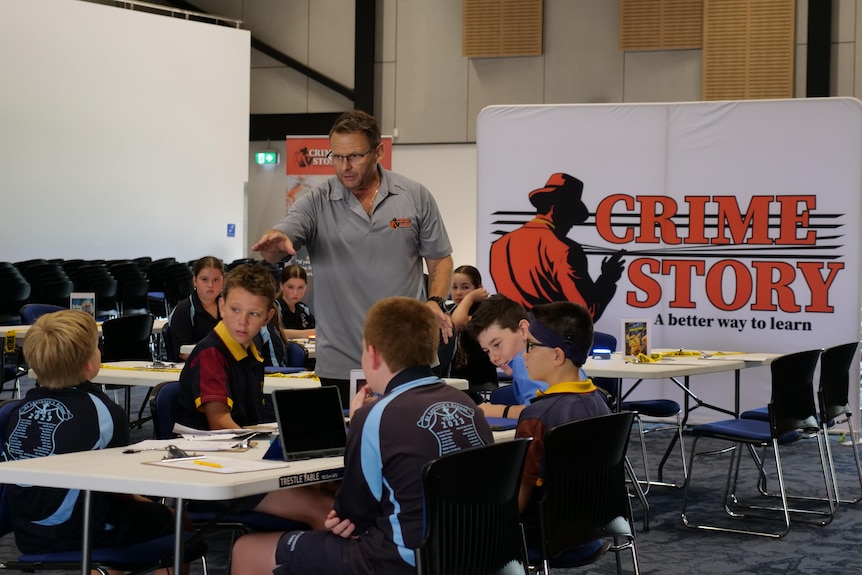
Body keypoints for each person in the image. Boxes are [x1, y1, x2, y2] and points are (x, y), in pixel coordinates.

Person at [230, 297, 494, 575]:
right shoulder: (469, 406)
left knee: (247, 549)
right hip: (470, 555)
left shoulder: (375, 417)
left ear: (374, 353)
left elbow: (353, 515)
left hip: (401, 561)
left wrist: (358, 424)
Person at [252, 109, 454, 406]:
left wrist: (435, 301)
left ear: (378, 152)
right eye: (337, 156)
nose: (345, 166)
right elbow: (281, 240)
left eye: (355, 156)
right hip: (341, 362)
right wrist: (275, 245)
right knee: (346, 449)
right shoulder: (316, 201)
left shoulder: (414, 196)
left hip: (409, 356)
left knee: (410, 442)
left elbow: (440, 261)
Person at [2, 310, 176, 558]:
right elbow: (120, 488)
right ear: (89, 364)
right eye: (97, 346)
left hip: (28, 533)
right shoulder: (105, 411)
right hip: (82, 530)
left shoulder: (17, 410)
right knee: (175, 526)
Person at [176, 264, 334, 529]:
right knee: (327, 511)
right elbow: (220, 425)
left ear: (268, 316)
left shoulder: (251, 353)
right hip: (216, 473)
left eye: (254, 314)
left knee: (340, 493)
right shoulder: (212, 354)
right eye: (236, 310)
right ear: (222, 305)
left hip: (246, 465)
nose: (242, 321)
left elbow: (251, 420)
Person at [515, 301, 611, 559]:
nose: (524, 354)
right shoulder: (601, 402)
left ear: (557, 356)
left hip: (542, 537)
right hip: (592, 532)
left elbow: (519, 502)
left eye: (531, 346)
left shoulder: (536, 416)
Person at [488, 172, 626, 321]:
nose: (572, 223)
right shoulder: (566, 250)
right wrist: (607, 279)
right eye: (571, 214)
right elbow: (586, 313)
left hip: (514, 339)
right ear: (556, 208)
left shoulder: (499, 246)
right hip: (551, 341)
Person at [467, 294, 549, 419]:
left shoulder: (523, 361)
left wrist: (496, 410)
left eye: (497, 344)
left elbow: (539, 412)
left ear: (523, 330)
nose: (493, 358)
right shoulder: (549, 352)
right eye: (487, 351)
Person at [445, 265, 498, 396]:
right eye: (454, 287)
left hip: (479, 385)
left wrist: (470, 298)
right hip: (454, 381)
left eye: (465, 287)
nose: (458, 292)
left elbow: (458, 323)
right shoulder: (450, 309)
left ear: (478, 289)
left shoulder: (485, 311)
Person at [169, 256, 223, 361]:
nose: (210, 285)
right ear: (195, 281)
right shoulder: (183, 310)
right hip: (196, 369)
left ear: (223, 281)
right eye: (204, 280)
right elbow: (183, 353)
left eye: (216, 280)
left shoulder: (230, 307)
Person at [275, 264, 315, 339]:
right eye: (290, 287)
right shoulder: (274, 307)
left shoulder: (304, 309)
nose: (295, 293)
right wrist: (309, 332)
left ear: (305, 287)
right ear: (281, 286)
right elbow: (276, 333)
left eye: (300, 287)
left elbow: (317, 330)